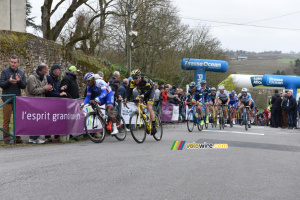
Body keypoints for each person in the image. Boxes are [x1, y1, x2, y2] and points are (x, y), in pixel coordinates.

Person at [0, 55, 27, 144]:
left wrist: (19, 81)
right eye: (11, 62)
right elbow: (2, 84)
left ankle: (17, 138)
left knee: (18, 119)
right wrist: (9, 81)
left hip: (17, 99)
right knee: (7, 119)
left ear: (18, 63)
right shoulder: (4, 71)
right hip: (7, 99)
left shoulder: (21, 72)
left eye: (15, 62)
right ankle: (6, 138)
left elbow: (24, 86)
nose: (13, 64)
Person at [124, 69, 157, 135]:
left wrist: (142, 96)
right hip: (142, 92)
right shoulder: (133, 82)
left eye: (136, 78)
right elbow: (129, 92)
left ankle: (154, 126)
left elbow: (148, 90)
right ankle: (144, 117)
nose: (135, 79)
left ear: (140, 76)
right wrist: (126, 99)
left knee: (149, 106)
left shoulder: (145, 79)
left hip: (150, 91)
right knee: (137, 101)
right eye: (134, 78)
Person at [27, 65, 53, 144]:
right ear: (42, 70)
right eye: (46, 70)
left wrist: (48, 89)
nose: (47, 72)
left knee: (39, 120)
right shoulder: (32, 77)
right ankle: (32, 138)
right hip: (33, 102)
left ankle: (36, 137)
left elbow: (43, 89)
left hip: (41, 101)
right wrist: (45, 88)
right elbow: (32, 90)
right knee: (34, 120)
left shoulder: (44, 77)